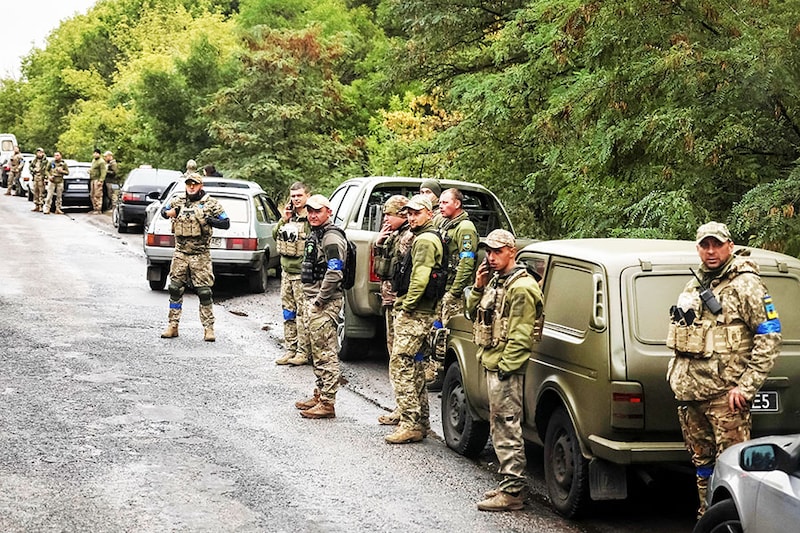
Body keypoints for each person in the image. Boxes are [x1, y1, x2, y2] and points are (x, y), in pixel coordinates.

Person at [667, 221, 782, 517]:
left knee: (735, 468)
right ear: (698, 249)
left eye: (716, 244)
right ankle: (708, 517)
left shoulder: (746, 284)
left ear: (729, 246)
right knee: (702, 465)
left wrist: (746, 387)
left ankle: (733, 521)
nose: (711, 251)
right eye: (705, 245)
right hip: (692, 395)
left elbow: (769, 334)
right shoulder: (695, 283)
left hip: (724, 399)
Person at [465, 229, 544, 512]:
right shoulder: (497, 280)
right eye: (489, 251)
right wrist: (477, 285)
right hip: (492, 360)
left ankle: (513, 492)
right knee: (499, 425)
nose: (492, 256)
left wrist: (504, 369)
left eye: (498, 251)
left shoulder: (521, 287)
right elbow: (472, 312)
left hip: (505, 368)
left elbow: (521, 337)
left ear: (512, 251)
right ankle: (508, 484)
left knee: (507, 426)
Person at [384, 194, 444, 444]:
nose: (411, 217)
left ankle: (410, 422)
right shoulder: (424, 236)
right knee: (416, 366)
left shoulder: (426, 240)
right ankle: (421, 421)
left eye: (416, 213)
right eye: (408, 213)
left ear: (429, 214)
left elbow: (420, 278)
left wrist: (406, 306)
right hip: (421, 311)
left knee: (401, 364)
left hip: (416, 313)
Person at [294, 194, 347, 419]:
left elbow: (335, 272)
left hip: (325, 302)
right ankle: (319, 394)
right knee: (317, 350)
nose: (313, 215)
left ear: (329, 212)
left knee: (326, 352)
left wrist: (320, 300)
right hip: (313, 299)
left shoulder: (332, 237)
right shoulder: (317, 233)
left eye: (318, 211)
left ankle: (327, 403)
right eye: (310, 211)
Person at [159, 173, 230, 342]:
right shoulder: (178, 200)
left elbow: (226, 222)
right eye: (189, 184)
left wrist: (209, 220)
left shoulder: (210, 203)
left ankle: (209, 328)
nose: (191, 187)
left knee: (204, 292)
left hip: (201, 254)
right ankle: (173, 325)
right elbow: (163, 211)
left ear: (200, 185)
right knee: (175, 288)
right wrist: (170, 212)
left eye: (195, 184)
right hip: (181, 253)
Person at [427, 187, 479, 388]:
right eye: (440, 203)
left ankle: (444, 375)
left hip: (453, 291)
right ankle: (435, 371)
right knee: (437, 330)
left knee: (448, 332)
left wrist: (455, 291)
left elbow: (467, 262)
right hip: (441, 286)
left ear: (457, 204)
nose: (441, 206)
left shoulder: (465, 228)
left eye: (445, 203)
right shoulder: (443, 222)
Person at [371, 194, 413, 425]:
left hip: (399, 301)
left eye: (390, 214)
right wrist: (379, 242)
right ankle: (400, 406)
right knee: (393, 353)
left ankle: (404, 409)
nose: (386, 218)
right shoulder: (393, 235)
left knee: (400, 358)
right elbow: (382, 266)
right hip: (390, 299)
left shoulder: (407, 238)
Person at [273, 182, 313, 366]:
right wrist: (284, 219)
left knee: (302, 314)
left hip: (301, 274)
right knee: (288, 312)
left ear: (307, 196)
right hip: (286, 272)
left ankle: (303, 352)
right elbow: (276, 235)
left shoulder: (311, 218)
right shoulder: (289, 217)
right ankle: (290, 348)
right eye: (293, 196)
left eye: (299, 196)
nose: (296, 199)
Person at [29, 148, 49, 212]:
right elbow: (30, 167)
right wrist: (33, 170)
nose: (39, 154)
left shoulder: (45, 161)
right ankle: (36, 205)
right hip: (35, 177)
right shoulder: (35, 160)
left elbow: (47, 169)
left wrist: (46, 177)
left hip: (41, 177)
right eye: (38, 152)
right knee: (35, 191)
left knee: (41, 192)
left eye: (40, 152)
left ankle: (41, 205)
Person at [89, 148, 107, 214]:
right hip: (93, 179)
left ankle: (98, 209)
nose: (95, 154)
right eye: (94, 153)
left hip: (97, 180)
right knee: (92, 194)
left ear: (99, 154)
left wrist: (101, 180)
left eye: (96, 153)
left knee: (98, 195)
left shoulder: (101, 162)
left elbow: (103, 172)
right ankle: (94, 208)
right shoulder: (94, 161)